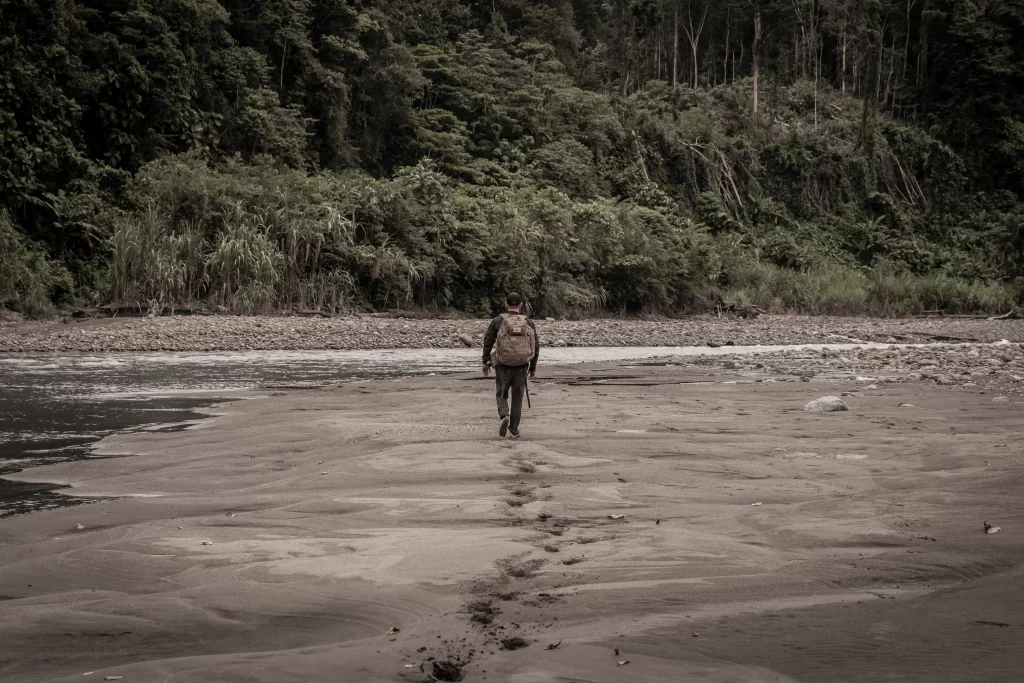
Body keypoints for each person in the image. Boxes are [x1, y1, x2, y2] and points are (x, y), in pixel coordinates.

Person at [482, 293, 539, 438]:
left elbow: (488, 341)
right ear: (521, 305)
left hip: (502, 364)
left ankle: (503, 414)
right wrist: (532, 367)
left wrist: (486, 362)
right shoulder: (528, 322)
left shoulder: (498, 320)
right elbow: (535, 346)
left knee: (501, 392)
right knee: (518, 396)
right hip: (521, 364)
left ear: (506, 304)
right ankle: (513, 428)